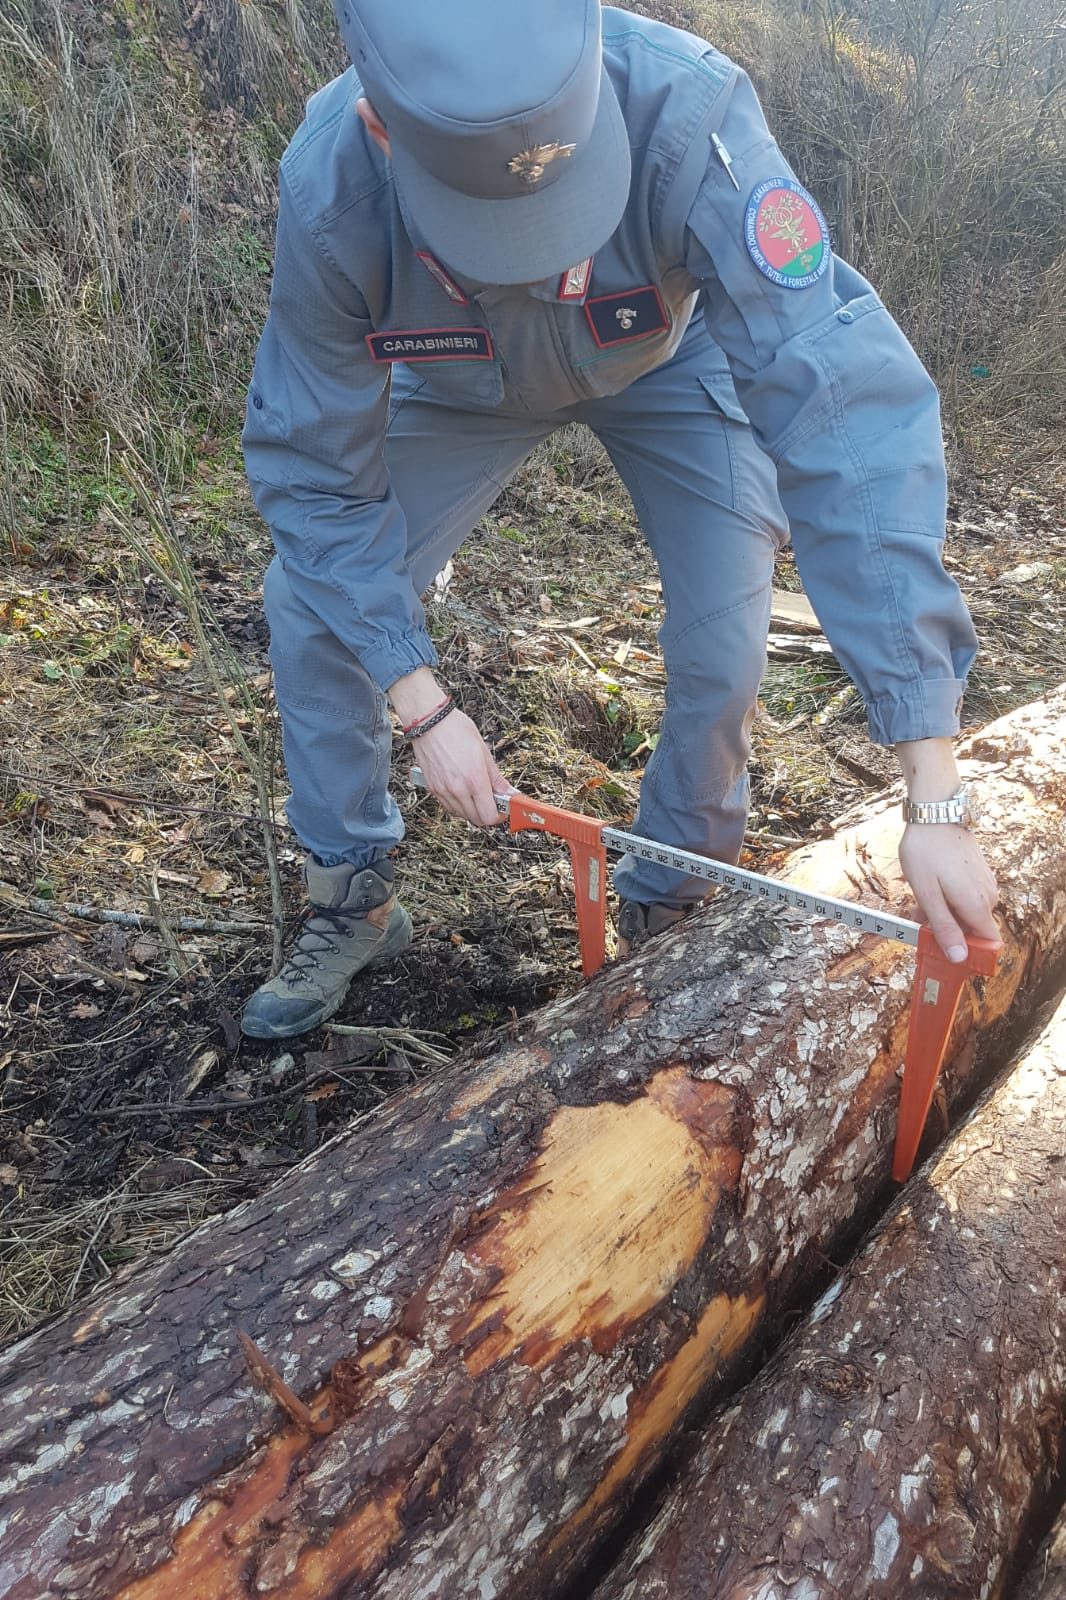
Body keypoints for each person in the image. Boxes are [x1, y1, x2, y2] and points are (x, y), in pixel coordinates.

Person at [239, 0, 1001, 1040]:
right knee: (311, 606)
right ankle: (352, 893)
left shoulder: (693, 113)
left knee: (726, 645)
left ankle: (672, 896)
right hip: (456, 386)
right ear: (383, 128)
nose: (546, 266)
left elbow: (842, 410)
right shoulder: (330, 183)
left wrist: (934, 787)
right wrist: (419, 701)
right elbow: (315, 474)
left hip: (666, 361)